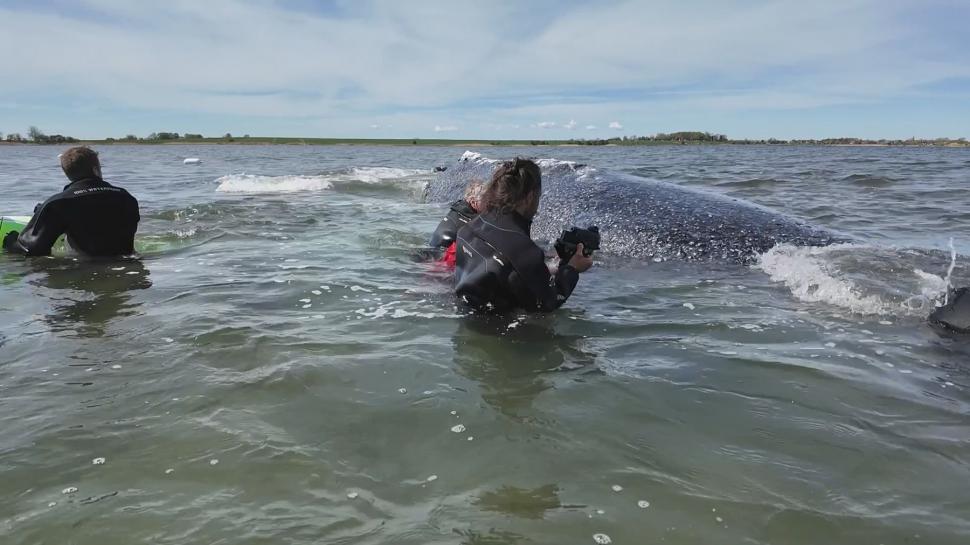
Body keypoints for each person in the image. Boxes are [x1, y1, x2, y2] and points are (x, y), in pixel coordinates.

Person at [454, 158, 592, 312]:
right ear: (530, 196)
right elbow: (548, 303)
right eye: (539, 197)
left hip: (464, 315)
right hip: (498, 330)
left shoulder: (467, 229)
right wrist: (572, 270)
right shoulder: (525, 251)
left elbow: (502, 270)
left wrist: (547, 268)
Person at [2, 146, 139, 257]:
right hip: (129, 260)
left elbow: (33, 250)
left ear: (67, 173)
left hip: (87, 268)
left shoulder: (58, 203)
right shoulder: (127, 197)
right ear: (95, 169)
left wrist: (11, 242)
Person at [429, 179, 486, 267]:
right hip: (442, 262)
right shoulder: (469, 220)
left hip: (432, 253)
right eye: (485, 200)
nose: (489, 204)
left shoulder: (457, 210)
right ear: (473, 202)